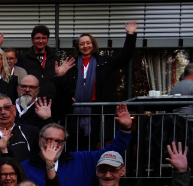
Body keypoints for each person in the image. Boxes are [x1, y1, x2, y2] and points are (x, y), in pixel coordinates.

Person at [22, 104, 133, 186]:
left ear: (64, 144)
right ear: (40, 140)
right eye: (49, 140)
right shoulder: (25, 167)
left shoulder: (81, 160)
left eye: (59, 141)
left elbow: (111, 154)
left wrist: (125, 129)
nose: (54, 145)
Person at [58, 22, 137, 151]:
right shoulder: (71, 64)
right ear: (78, 47)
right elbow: (63, 87)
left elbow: (125, 57)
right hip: (74, 112)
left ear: (93, 45)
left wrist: (130, 35)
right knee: (72, 146)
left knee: (91, 146)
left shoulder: (105, 62)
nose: (85, 46)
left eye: (88, 43)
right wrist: (60, 78)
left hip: (96, 112)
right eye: (82, 44)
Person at [0, 95, 50, 163]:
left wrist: (47, 120)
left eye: (7, 108)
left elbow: (49, 147)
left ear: (14, 110)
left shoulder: (30, 132)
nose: (3, 112)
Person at [16, 26, 58, 100]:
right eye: (37, 38)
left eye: (43, 38)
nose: (40, 41)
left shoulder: (55, 58)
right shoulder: (23, 58)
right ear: (32, 40)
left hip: (51, 101)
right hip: (30, 100)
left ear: (47, 40)